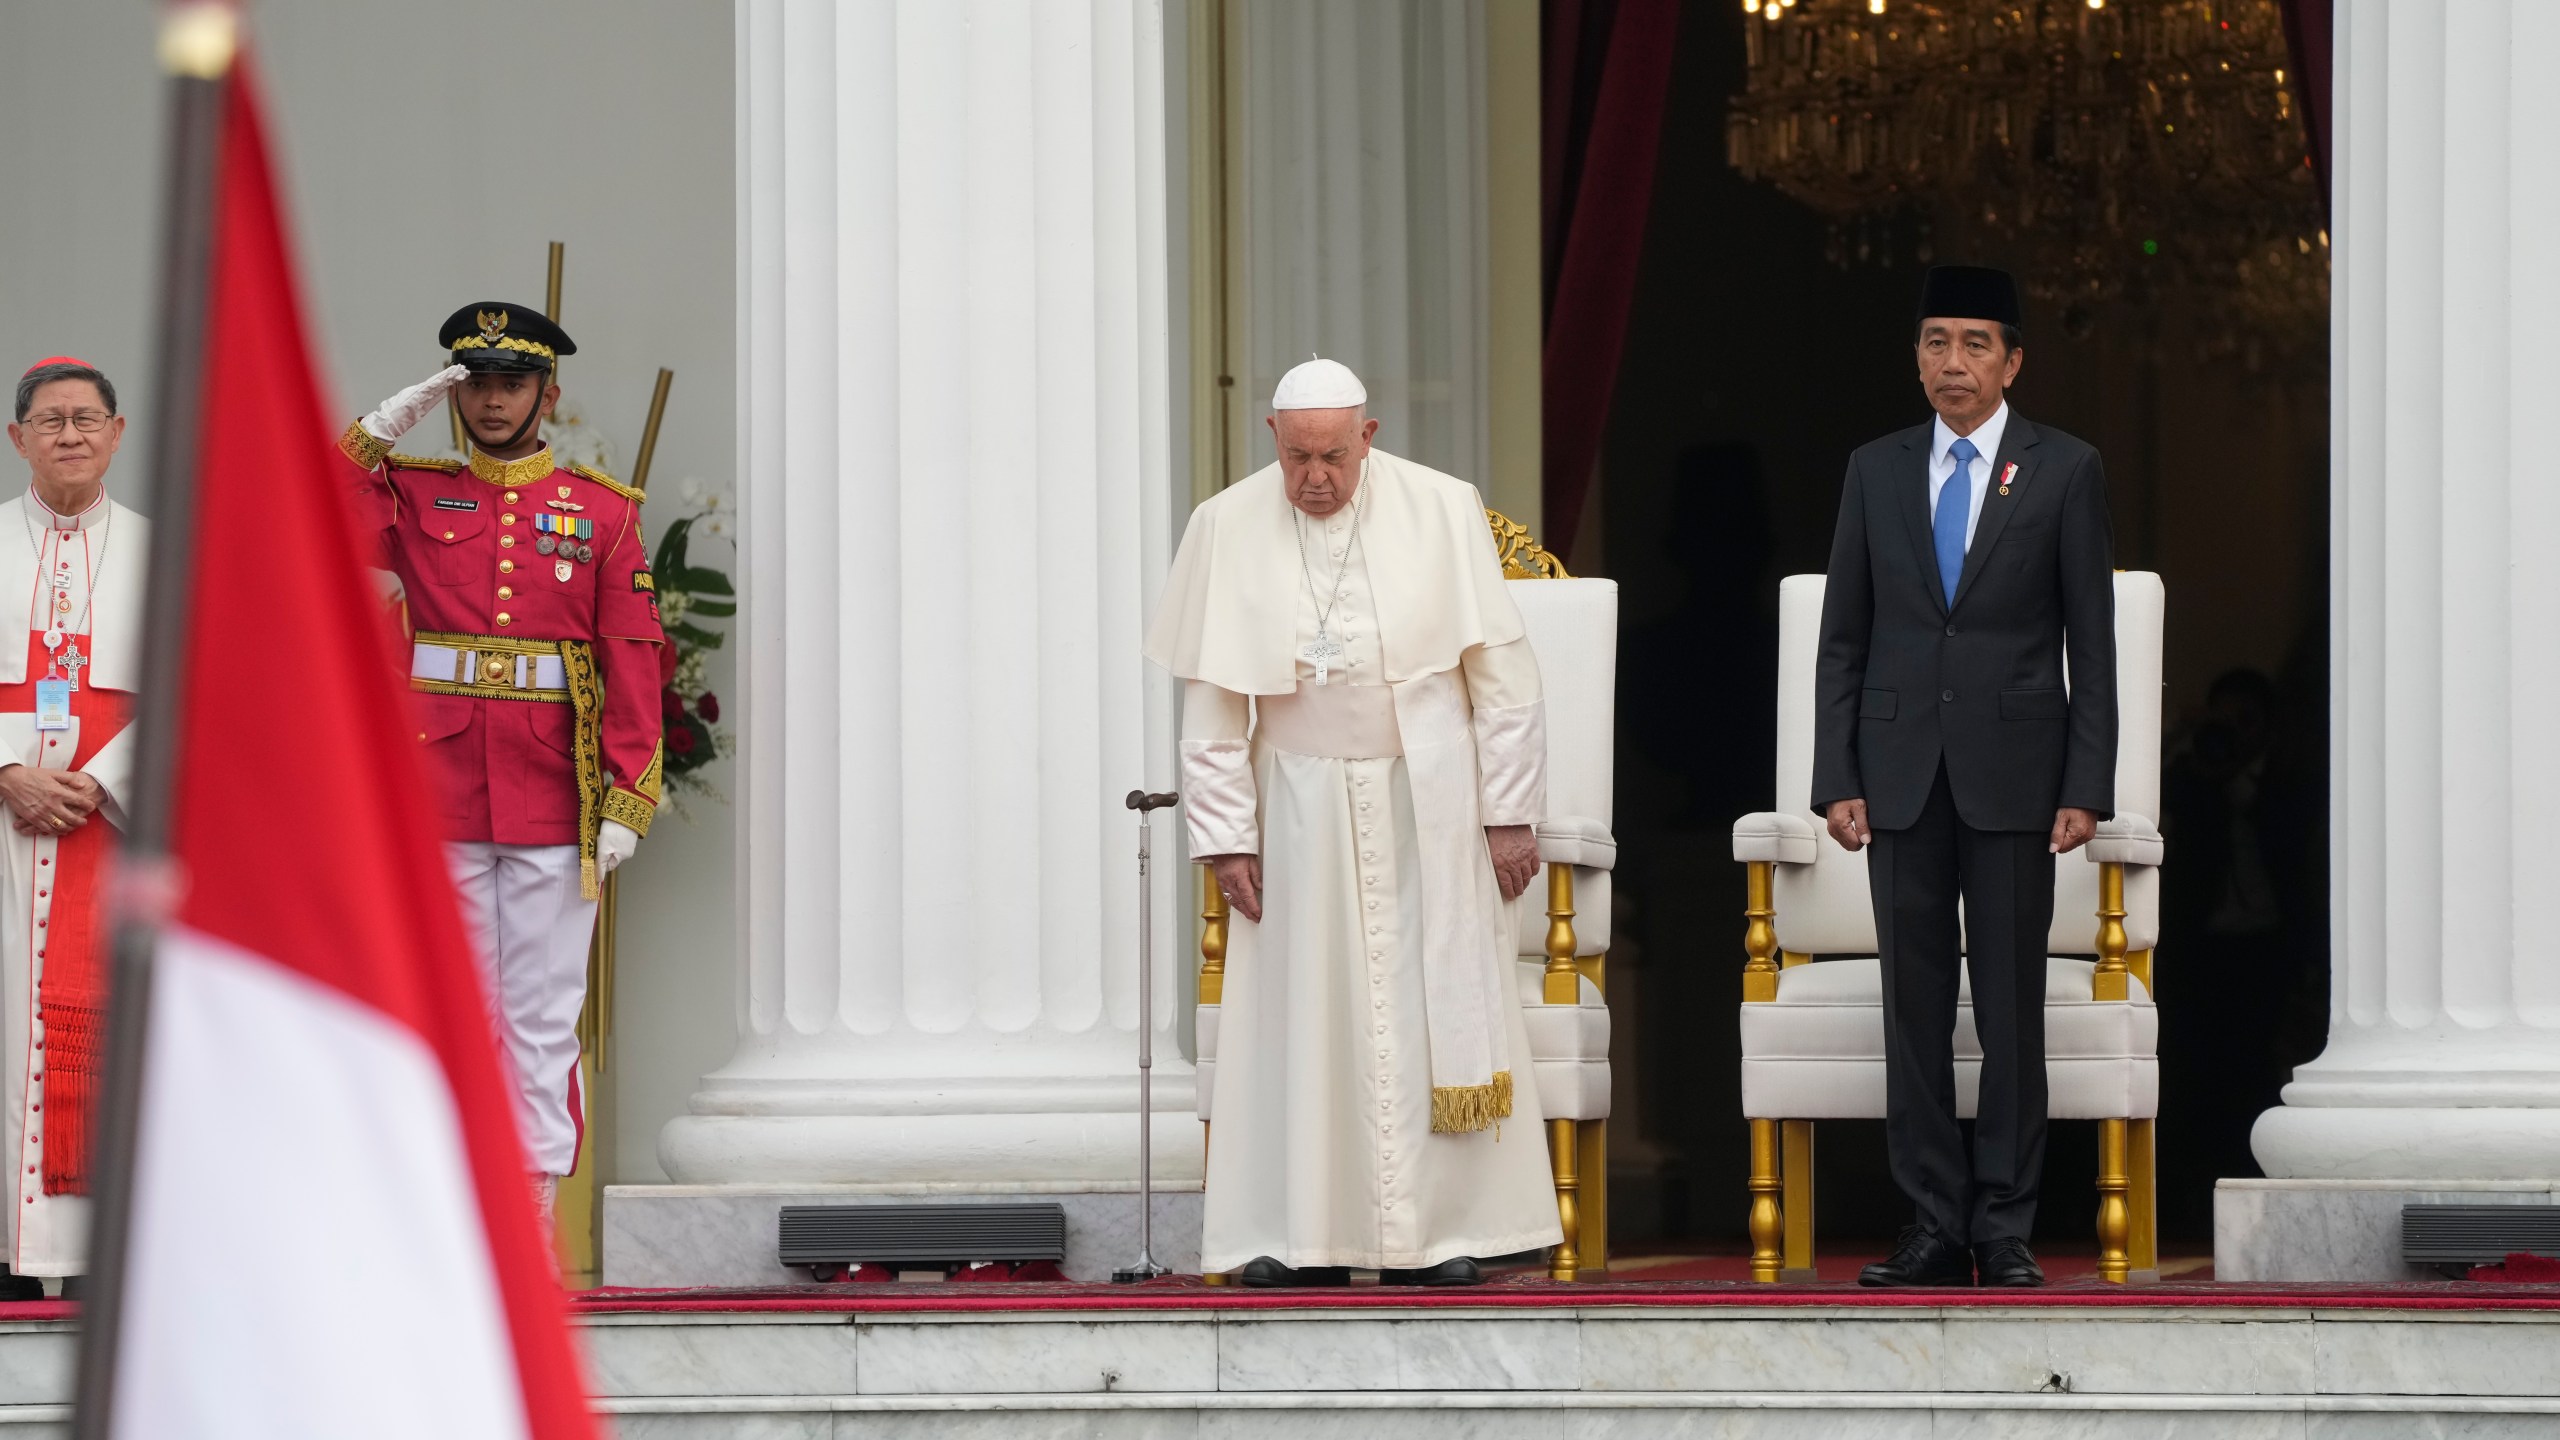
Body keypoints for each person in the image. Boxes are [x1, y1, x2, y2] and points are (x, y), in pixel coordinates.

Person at [1145, 357, 1561, 1287]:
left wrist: (1509, 815)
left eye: (1333, 456)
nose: (1315, 479)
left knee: (1427, 1018)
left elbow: (1503, 684)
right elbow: (1213, 706)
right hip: (1296, 805)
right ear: (1273, 440)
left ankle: (1449, 1237)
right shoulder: (1224, 525)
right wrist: (1225, 835)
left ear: (1367, 438)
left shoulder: (1443, 507)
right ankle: (1300, 1239)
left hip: (1432, 800)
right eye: (1298, 459)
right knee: (1304, 1016)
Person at [1811, 266, 2117, 1288]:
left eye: (1975, 343)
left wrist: (2087, 781)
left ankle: (2004, 1225)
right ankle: (1933, 1223)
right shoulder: (1875, 468)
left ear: (2012, 359)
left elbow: (2093, 641)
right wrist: (1834, 773)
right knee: (1912, 1006)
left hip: (2018, 774)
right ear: (1915, 355)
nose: (1953, 362)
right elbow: (1842, 638)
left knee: (2008, 1007)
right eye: (1936, 341)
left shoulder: (2064, 469)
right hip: (1895, 773)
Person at [336, 305, 665, 1217]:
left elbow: (633, 659)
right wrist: (382, 425)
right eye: (473, 382)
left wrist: (626, 800)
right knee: (446, 1004)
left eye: (510, 383)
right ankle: (448, 1197)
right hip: (434, 785)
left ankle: (527, 1207)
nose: (490, 400)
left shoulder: (602, 511)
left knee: (540, 1014)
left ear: (547, 394)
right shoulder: (415, 490)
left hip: (555, 789)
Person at [0, 358, 150, 1296]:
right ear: (17, 438)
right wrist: (5, 772)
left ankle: (99, 1267)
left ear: (118, 432)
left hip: (112, 840)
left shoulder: (162, 552)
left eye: (85, 419)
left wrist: (98, 782)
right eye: (48, 420)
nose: (68, 434)